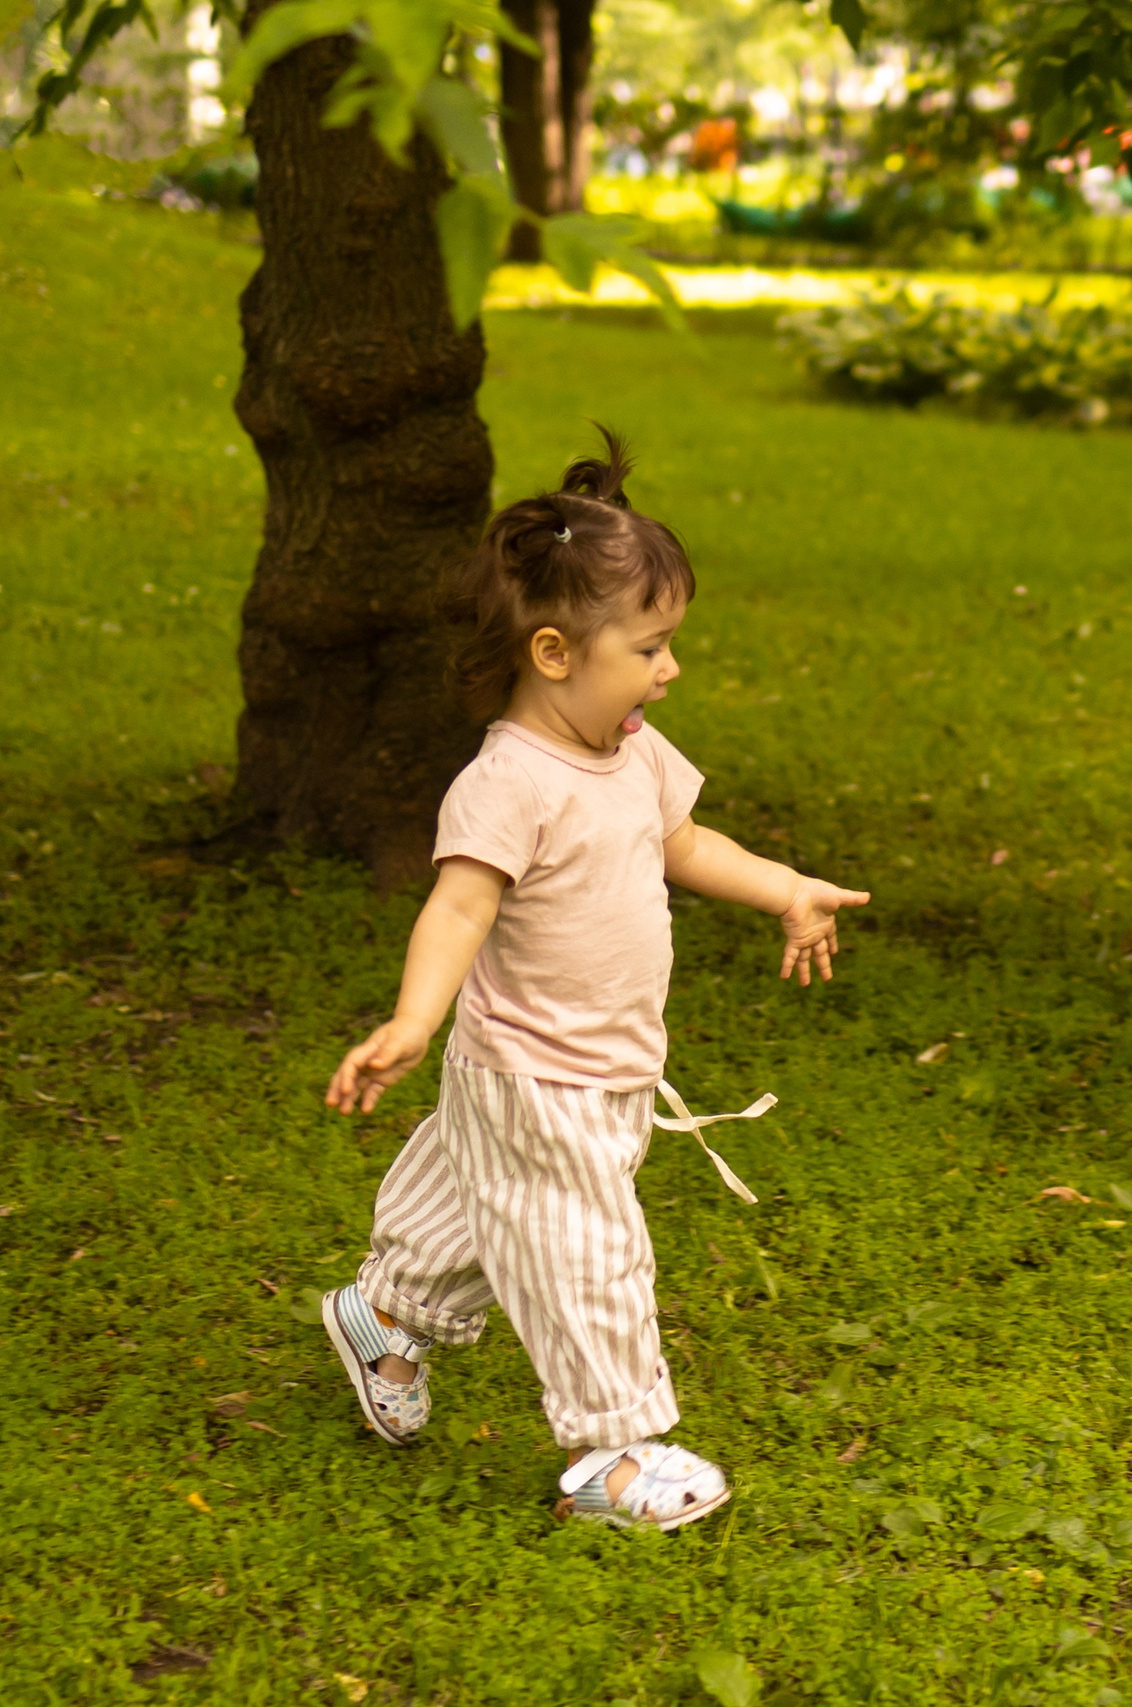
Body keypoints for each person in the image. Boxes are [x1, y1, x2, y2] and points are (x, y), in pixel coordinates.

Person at [317, 432, 869, 1531]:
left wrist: (787, 888)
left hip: (596, 1062)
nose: (671, 672)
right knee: (586, 1255)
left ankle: (384, 1312)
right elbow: (459, 907)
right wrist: (413, 1021)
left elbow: (687, 842)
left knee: (482, 1214)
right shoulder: (507, 783)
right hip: (540, 1071)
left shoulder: (632, 749)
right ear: (558, 652)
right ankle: (611, 1454)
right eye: (652, 648)